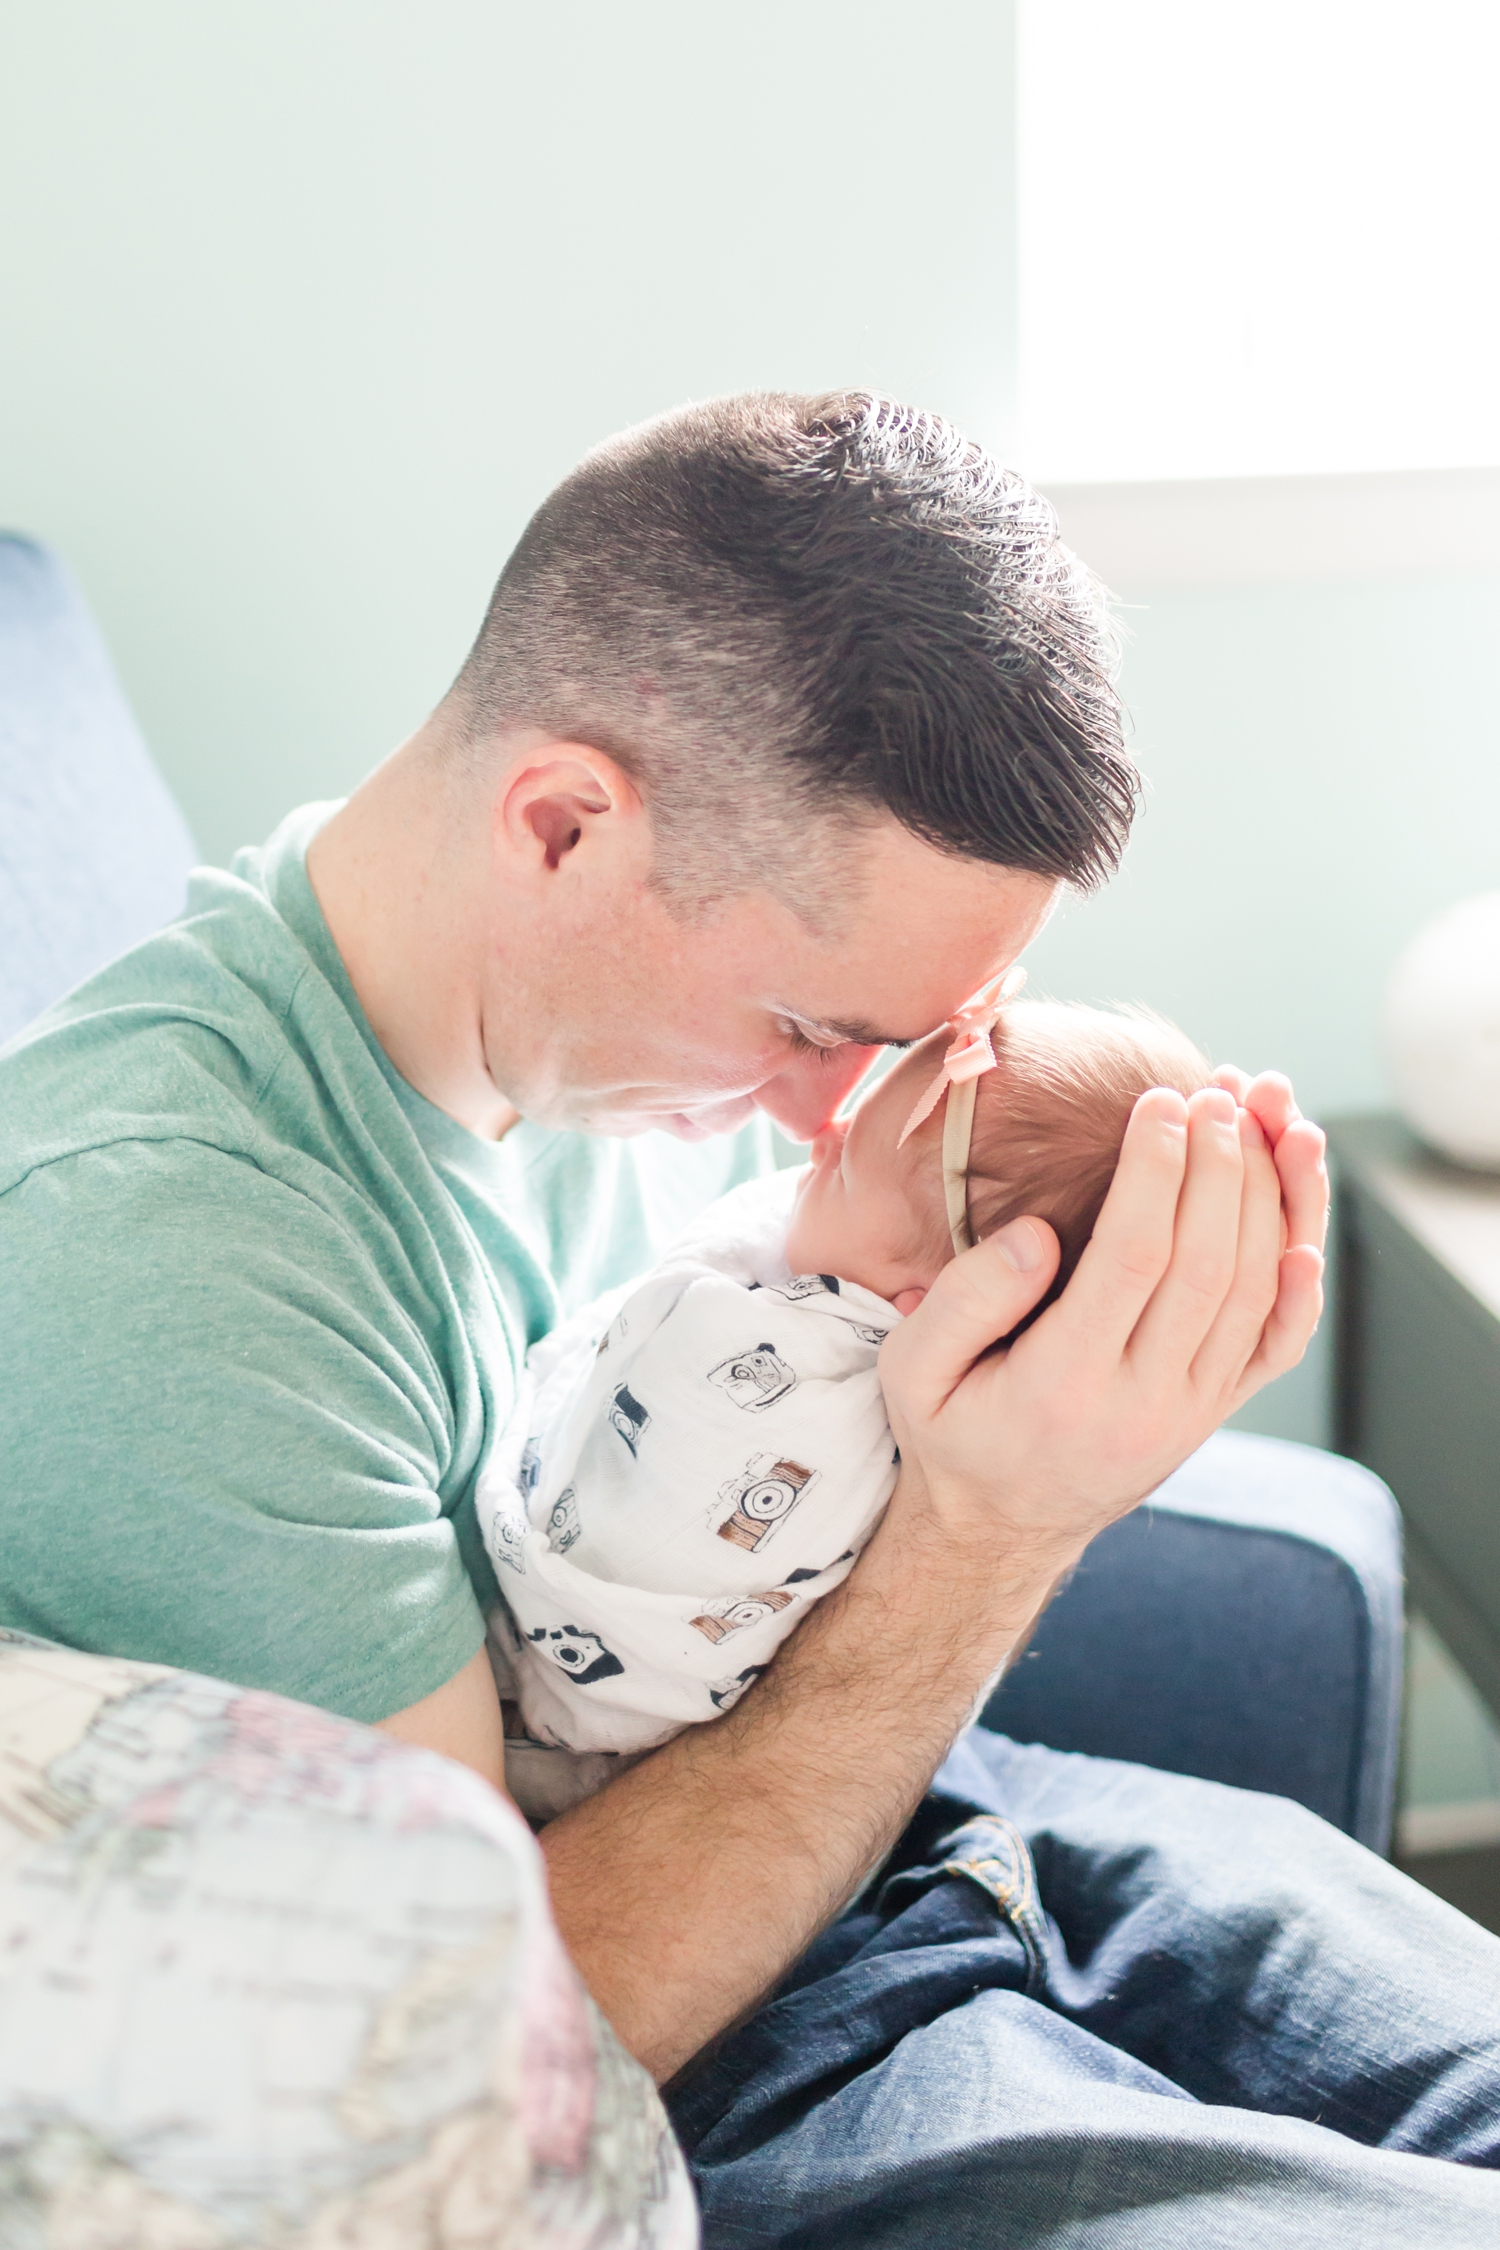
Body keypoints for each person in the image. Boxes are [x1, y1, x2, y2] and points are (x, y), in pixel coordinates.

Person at [1, 392, 1497, 2245]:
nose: (834, 1123)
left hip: (926, 1830)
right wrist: (997, 1532)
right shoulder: (163, 1263)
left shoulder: (560, 1007)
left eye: (930, 1034)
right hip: (702, 2044)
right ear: (562, 825)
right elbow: (497, 2047)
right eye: (816, 1031)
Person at [487, 997, 1211, 1824]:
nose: (818, 1133)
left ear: (941, 1301)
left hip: (614, 1752)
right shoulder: (835, 1243)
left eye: (845, 1168)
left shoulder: (827, 1412)